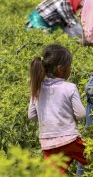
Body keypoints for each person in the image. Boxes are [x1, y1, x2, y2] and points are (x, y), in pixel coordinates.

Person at [27, 44, 88, 174]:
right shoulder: (69, 87)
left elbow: (31, 115)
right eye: (69, 67)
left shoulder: (36, 87)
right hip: (70, 140)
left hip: (47, 143)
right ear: (60, 69)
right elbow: (81, 114)